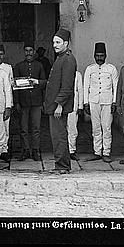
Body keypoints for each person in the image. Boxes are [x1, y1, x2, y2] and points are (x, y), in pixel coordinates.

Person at [43, 28, 77, 174]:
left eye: (58, 42)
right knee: (57, 136)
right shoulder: (61, 58)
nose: (55, 45)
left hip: (58, 107)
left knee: (59, 137)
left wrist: (59, 105)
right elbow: (55, 82)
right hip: (54, 105)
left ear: (66, 43)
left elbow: (67, 86)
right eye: (53, 42)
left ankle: (62, 166)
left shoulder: (68, 59)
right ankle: (62, 165)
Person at [83, 42, 118, 163]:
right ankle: (97, 152)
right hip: (93, 101)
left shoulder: (111, 69)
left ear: (105, 55)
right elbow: (85, 86)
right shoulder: (90, 69)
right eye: (97, 55)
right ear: (94, 55)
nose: (99, 58)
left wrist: (114, 102)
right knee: (95, 128)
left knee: (107, 127)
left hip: (107, 102)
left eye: (101, 55)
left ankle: (106, 152)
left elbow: (116, 86)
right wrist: (86, 103)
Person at [13, 43, 47, 161]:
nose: (28, 53)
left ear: (34, 52)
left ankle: (36, 150)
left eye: (31, 50)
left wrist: (43, 101)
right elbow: (15, 86)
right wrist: (16, 102)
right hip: (23, 102)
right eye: (26, 50)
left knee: (36, 128)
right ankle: (25, 150)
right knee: (23, 128)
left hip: (37, 102)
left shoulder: (39, 66)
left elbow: (44, 83)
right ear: (24, 52)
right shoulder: (18, 66)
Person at [0, 45, 14, 161]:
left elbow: (11, 86)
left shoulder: (8, 68)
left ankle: (4, 149)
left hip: (6, 101)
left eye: (1, 54)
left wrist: (10, 104)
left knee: (6, 127)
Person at [67, 70, 84, 161]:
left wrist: (80, 106)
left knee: (72, 129)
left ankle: (71, 150)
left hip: (73, 105)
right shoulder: (60, 72)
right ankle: (62, 150)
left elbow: (80, 90)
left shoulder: (77, 74)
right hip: (60, 106)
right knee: (61, 129)